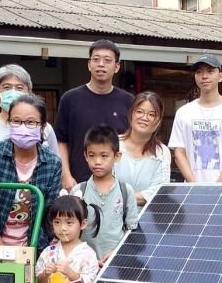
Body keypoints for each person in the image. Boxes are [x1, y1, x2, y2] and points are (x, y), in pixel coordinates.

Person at [0, 95, 62, 247]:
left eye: (31, 122)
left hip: (33, 247)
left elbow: (49, 212)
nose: (23, 127)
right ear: (9, 123)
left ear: (43, 126)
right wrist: (1, 248)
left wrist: (37, 248)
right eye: (17, 121)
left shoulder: (53, 163)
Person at [55, 39, 135, 190]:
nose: (101, 64)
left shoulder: (128, 101)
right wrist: (65, 175)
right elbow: (61, 141)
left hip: (117, 184)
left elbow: (133, 141)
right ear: (89, 64)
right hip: (78, 182)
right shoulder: (70, 99)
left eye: (107, 60)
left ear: (117, 66)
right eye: (96, 59)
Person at [0, 64, 59, 178]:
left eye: (19, 88)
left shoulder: (43, 127)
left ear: (29, 93)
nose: (13, 92)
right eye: (7, 87)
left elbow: (56, 167)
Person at [169, 54, 222, 183]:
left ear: (220, 76)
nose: (204, 76)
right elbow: (179, 153)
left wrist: (217, 186)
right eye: (199, 72)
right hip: (192, 190)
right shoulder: (184, 112)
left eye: (210, 71)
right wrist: (194, 185)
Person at [71, 125, 139, 264]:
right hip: (84, 264)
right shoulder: (78, 192)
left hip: (116, 262)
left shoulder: (126, 191)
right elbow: (71, 229)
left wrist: (116, 252)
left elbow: (131, 230)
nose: (97, 162)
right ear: (85, 156)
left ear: (117, 156)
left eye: (104, 156)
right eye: (92, 155)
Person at [36, 195, 100, 283]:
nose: (62, 228)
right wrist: (45, 274)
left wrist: (70, 273)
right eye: (57, 222)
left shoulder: (88, 254)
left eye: (69, 223)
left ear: (83, 224)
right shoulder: (48, 252)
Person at [115, 91, 171, 207]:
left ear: (159, 121)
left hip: (146, 220)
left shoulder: (162, 152)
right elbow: (102, 185)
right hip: (111, 217)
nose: (144, 118)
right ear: (131, 114)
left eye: (151, 114)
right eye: (139, 112)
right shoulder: (113, 143)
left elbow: (158, 193)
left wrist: (120, 197)